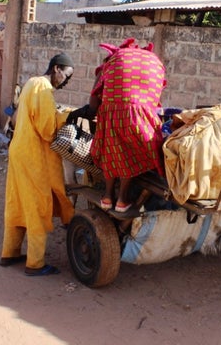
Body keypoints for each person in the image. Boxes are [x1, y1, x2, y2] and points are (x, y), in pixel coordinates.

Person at [69, 38, 166, 215]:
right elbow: (156, 101)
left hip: (112, 116)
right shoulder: (151, 64)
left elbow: (93, 102)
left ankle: (107, 196)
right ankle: (122, 199)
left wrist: (93, 113)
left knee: (112, 152)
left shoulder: (111, 62)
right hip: (142, 117)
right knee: (129, 154)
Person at [0, 53, 76, 276]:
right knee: (37, 207)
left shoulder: (32, 83)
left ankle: (10, 252)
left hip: (19, 152)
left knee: (17, 203)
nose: (67, 81)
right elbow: (47, 130)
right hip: (33, 157)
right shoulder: (43, 89)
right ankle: (35, 263)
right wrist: (68, 117)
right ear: (57, 69)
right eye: (67, 76)